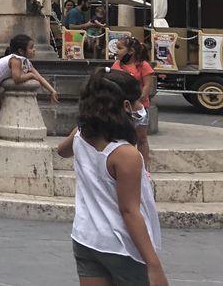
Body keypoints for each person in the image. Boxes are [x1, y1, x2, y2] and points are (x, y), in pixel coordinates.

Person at [57, 69, 166, 286]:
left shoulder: (80, 134)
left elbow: (61, 151)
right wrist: (153, 264)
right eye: (137, 102)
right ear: (125, 106)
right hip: (122, 246)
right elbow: (129, 211)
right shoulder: (125, 155)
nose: (140, 107)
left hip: (86, 238)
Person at [0, 34, 59, 148]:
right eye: (31, 47)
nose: (34, 50)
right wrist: (30, 75)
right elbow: (17, 78)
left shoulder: (25, 62)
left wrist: (52, 91)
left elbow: (39, 77)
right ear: (21, 51)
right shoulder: (15, 60)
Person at [112, 37, 155, 165]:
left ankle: (144, 167)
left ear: (130, 51)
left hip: (138, 107)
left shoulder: (143, 65)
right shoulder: (116, 65)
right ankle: (124, 164)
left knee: (141, 138)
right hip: (120, 108)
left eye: (120, 48)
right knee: (122, 138)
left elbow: (147, 86)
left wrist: (138, 100)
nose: (117, 51)